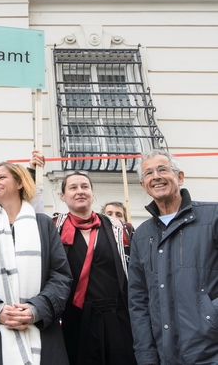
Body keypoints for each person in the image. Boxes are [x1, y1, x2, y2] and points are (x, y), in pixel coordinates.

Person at [0, 162, 71, 365]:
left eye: (1, 177)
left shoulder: (43, 224)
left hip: (39, 331)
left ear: (19, 182)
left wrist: (36, 310)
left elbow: (60, 275)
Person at [128, 149, 218, 364]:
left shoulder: (213, 216)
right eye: (148, 174)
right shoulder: (141, 235)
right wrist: (146, 355)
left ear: (179, 177)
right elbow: (138, 301)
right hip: (165, 355)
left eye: (162, 169)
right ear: (143, 185)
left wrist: (212, 315)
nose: (156, 177)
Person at [54, 170, 136, 365]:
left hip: (116, 318)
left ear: (93, 193)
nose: (80, 191)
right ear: (62, 196)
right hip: (75, 320)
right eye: (73, 187)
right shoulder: (53, 229)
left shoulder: (118, 228)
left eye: (85, 187)